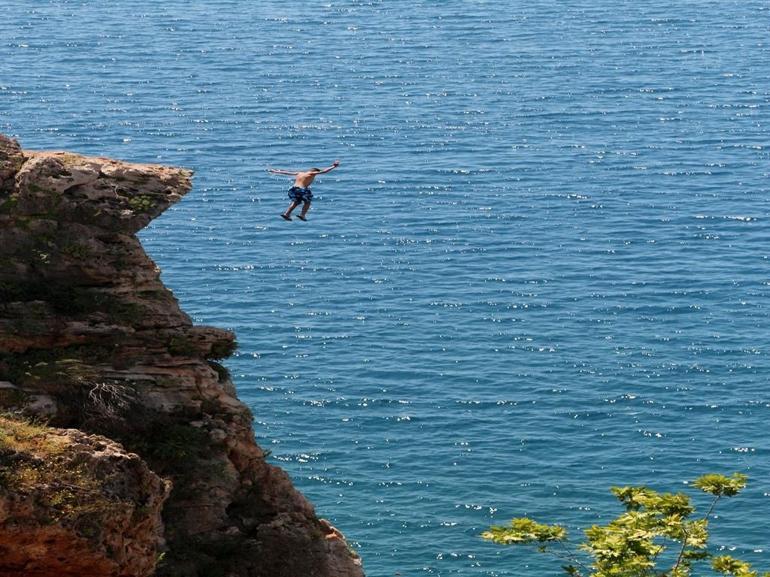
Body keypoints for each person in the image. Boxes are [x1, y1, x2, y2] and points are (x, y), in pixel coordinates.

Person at [268, 160, 340, 221]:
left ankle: (286, 214)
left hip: (293, 189)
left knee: (296, 202)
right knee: (307, 202)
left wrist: (275, 171)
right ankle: (302, 215)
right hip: (301, 190)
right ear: (314, 171)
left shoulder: (300, 173)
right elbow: (324, 171)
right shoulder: (311, 173)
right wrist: (333, 166)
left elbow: (286, 172)